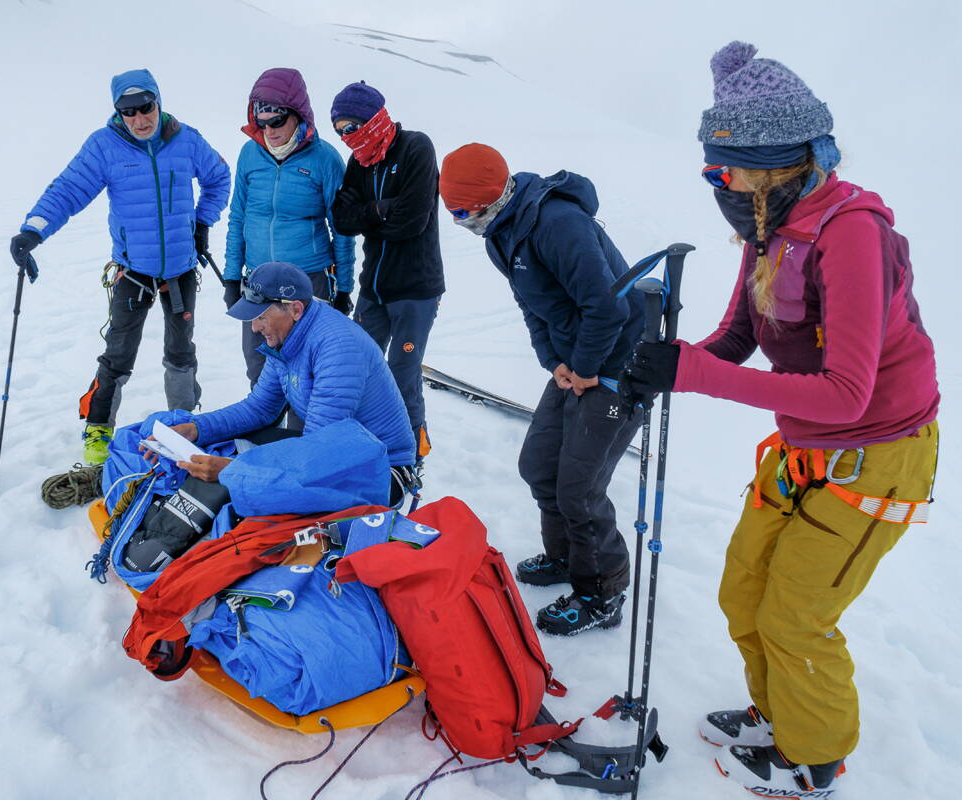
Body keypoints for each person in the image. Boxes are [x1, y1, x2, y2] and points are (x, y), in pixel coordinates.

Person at [619, 42, 939, 796]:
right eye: (711, 171)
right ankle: (780, 714)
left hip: (877, 451)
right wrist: (668, 362)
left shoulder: (850, 232)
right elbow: (735, 337)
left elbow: (847, 392)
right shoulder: (771, 223)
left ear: (771, 163)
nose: (714, 183)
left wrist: (695, 373)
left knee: (796, 615)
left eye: (722, 170)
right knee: (743, 590)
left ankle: (814, 758)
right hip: (808, 447)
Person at [438, 143, 644, 637]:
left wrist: (589, 369)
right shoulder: (501, 235)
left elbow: (607, 307)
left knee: (579, 485)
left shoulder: (557, 224)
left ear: (492, 198)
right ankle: (567, 558)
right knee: (539, 465)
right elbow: (534, 307)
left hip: (620, 361)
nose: (464, 224)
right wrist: (554, 362)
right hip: (575, 360)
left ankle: (603, 593)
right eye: (454, 215)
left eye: (467, 213)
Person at [9, 68, 231, 464]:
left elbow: (219, 177)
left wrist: (202, 222)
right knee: (118, 354)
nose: (139, 119)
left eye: (146, 107)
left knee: (181, 352)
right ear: (117, 113)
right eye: (128, 112)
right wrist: (33, 232)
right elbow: (68, 190)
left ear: (158, 102)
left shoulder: (185, 139)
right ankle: (98, 430)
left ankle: (183, 424)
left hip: (180, 270)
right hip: (133, 271)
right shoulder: (104, 147)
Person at [166, 261, 416, 492]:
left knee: (245, 478)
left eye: (261, 316)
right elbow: (259, 408)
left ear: (295, 309)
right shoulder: (289, 337)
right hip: (338, 452)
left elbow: (318, 450)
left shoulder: (338, 347)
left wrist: (236, 469)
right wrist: (197, 429)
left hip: (381, 469)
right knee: (233, 442)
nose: (254, 328)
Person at [329, 82, 443, 466]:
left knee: (401, 377)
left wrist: (368, 214)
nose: (347, 137)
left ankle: (411, 457)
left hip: (415, 290)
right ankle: (364, 448)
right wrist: (380, 211)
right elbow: (342, 220)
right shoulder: (358, 162)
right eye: (340, 130)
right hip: (372, 288)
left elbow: (412, 221)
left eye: (352, 126)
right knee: (357, 370)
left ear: (374, 118)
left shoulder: (416, 148)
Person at [223, 68, 355, 387]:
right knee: (259, 366)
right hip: (258, 281)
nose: (269, 130)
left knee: (305, 369)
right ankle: (262, 436)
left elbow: (342, 229)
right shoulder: (250, 155)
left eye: (277, 121)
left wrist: (345, 288)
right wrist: (230, 276)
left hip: (308, 282)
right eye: (262, 122)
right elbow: (238, 216)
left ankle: (303, 433)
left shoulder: (325, 159)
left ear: (297, 115)